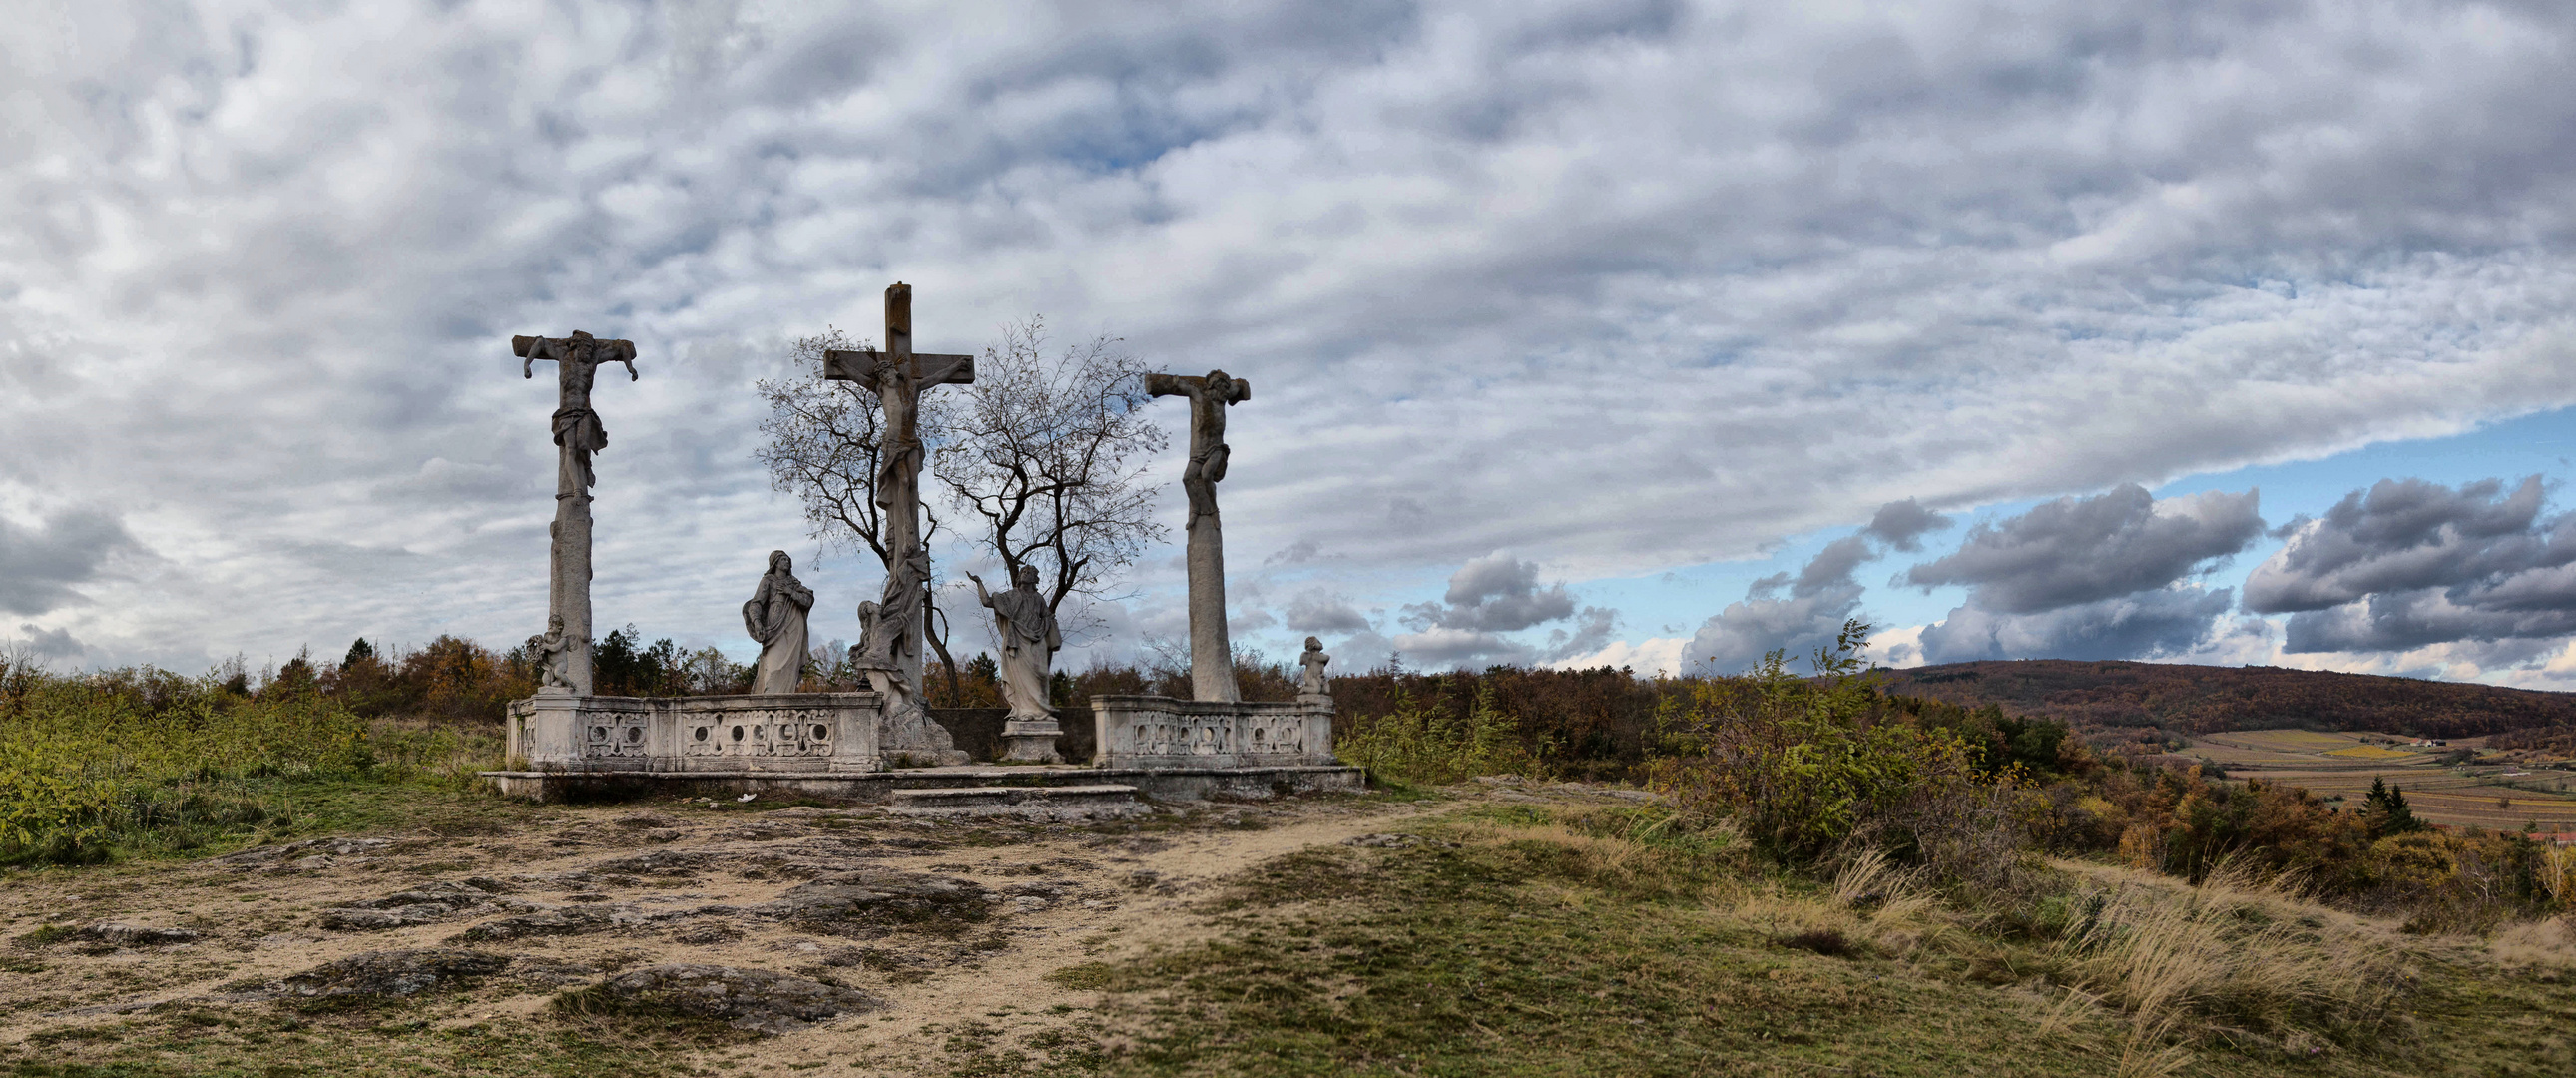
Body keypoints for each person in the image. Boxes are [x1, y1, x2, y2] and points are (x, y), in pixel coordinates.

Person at [742, 550, 813, 694]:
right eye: (783, 560)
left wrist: (791, 592)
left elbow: (808, 600)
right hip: (774, 627)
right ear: (775, 563)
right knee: (775, 665)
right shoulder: (768, 580)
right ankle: (770, 700)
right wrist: (756, 622)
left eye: (788, 560)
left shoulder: (794, 583)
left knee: (790, 666)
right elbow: (756, 604)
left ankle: (786, 703)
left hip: (795, 624)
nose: (787, 562)